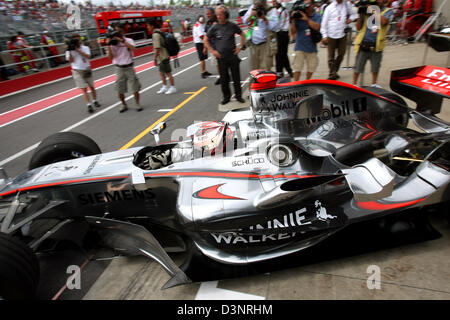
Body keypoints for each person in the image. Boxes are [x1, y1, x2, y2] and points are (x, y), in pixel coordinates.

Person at [205, 5, 246, 105]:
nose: (218, 16)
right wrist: (212, 51)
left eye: (220, 14)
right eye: (217, 15)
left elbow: (243, 35)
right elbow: (205, 40)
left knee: (236, 77)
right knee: (224, 79)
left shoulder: (232, 25)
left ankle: (238, 95)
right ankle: (226, 97)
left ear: (226, 15)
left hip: (232, 56)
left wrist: (240, 47)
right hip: (221, 57)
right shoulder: (214, 27)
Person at [353, 0, 393, 87]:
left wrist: (372, 9)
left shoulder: (388, 10)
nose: (379, 1)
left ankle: (374, 84)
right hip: (363, 42)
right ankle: (354, 84)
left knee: (375, 67)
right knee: (358, 67)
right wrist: (360, 14)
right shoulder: (366, 10)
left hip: (377, 44)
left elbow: (384, 22)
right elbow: (358, 28)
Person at [107, 24, 142, 112]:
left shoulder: (128, 40)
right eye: (116, 31)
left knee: (135, 87)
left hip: (129, 67)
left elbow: (133, 48)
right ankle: (123, 104)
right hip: (119, 68)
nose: (117, 33)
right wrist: (109, 45)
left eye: (119, 31)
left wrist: (122, 40)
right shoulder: (112, 43)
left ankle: (137, 104)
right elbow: (110, 57)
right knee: (120, 88)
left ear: (123, 31)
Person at [321, 0, 356, 80]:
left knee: (341, 54)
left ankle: (334, 71)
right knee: (331, 56)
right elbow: (324, 23)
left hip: (342, 34)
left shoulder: (347, 5)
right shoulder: (329, 8)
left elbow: (354, 15)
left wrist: (350, 19)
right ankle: (332, 73)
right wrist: (324, 35)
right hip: (331, 34)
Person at [66, 33, 100, 113]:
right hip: (77, 71)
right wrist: (70, 51)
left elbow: (88, 56)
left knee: (92, 87)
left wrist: (78, 50)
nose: (78, 41)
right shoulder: (69, 50)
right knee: (84, 89)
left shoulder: (85, 47)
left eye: (79, 39)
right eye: (76, 40)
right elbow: (70, 61)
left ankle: (95, 100)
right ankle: (89, 105)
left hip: (86, 69)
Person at [243, 0, 279, 70]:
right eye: (256, 4)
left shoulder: (271, 10)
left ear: (264, 3)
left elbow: (275, 27)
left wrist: (264, 18)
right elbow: (245, 21)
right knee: (254, 69)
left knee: (265, 69)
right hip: (253, 44)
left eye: (260, 4)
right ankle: (255, 80)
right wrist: (251, 15)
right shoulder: (252, 8)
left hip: (266, 44)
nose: (257, 6)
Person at [290, 0, 322, 81]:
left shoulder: (317, 16)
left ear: (312, 5)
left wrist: (306, 19)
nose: (306, 6)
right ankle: (295, 85)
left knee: (312, 67)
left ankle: (306, 83)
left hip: (312, 47)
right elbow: (293, 33)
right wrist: (293, 21)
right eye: (305, 5)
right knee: (297, 68)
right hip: (299, 46)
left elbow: (317, 27)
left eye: (308, 4)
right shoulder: (298, 16)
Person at [147, 20, 177, 95]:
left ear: (152, 26)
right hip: (163, 56)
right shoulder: (158, 32)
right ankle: (164, 86)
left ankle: (173, 87)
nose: (147, 28)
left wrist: (155, 58)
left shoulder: (155, 35)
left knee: (168, 73)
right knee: (161, 73)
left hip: (163, 56)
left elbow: (157, 48)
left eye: (148, 26)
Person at [271, 0, 293, 77]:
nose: (273, 3)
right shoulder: (283, 10)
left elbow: (278, 24)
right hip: (282, 33)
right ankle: (288, 70)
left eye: (274, 2)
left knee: (280, 54)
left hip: (281, 33)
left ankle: (280, 71)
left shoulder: (281, 11)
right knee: (282, 54)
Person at [205, 7, 221, 85]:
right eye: (207, 14)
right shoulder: (208, 23)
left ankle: (225, 75)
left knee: (224, 62)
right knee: (216, 63)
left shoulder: (218, 20)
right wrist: (205, 47)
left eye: (209, 13)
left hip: (221, 45)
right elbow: (206, 36)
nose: (207, 15)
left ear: (213, 13)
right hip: (213, 47)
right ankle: (221, 76)